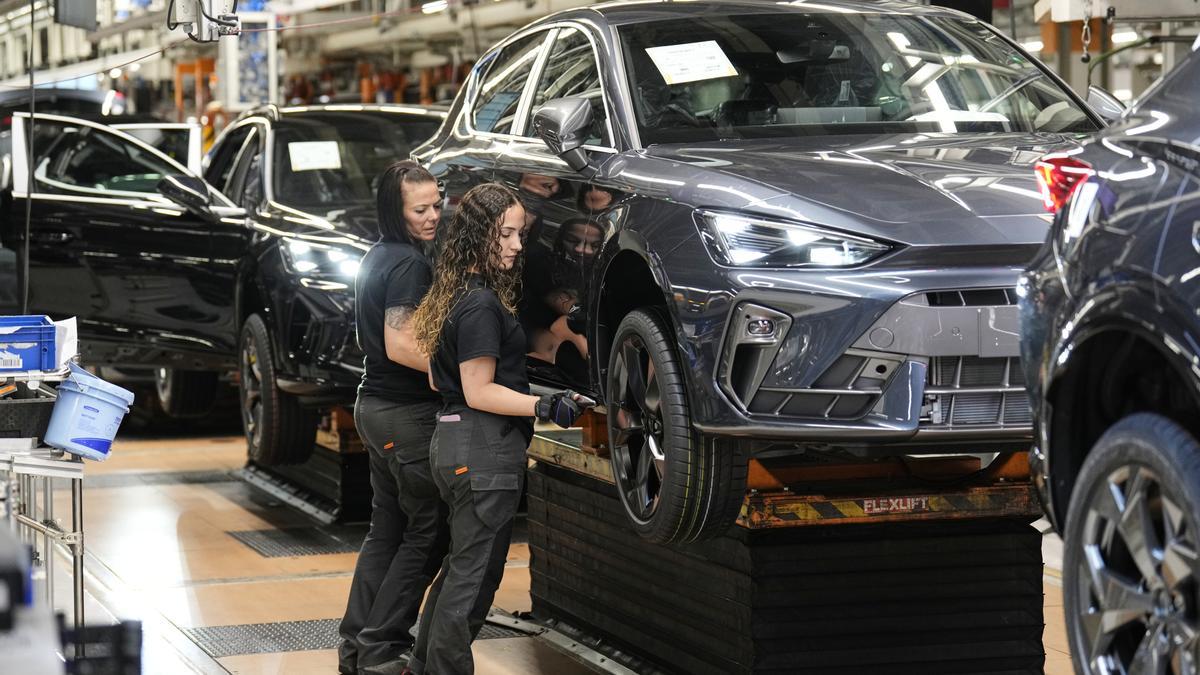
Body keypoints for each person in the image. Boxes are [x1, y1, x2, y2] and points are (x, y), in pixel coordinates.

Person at [407, 183, 590, 675]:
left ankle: (424, 666)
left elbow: (434, 375)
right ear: (477, 235)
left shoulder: (451, 294)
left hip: (452, 440)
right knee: (474, 577)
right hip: (482, 446)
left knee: (461, 569)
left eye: (519, 234)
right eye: (505, 234)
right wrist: (545, 406)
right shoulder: (482, 304)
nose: (515, 245)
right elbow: (479, 390)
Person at [339, 161, 449, 675]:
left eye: (436, 204)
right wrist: (459, 371)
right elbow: (401, 343)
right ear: (394, 210)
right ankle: (382, 650)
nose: (433, 216)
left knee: (386, 531)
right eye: (419, 209)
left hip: (374, 408)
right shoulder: (409, 264)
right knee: (428, 531)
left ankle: (356, 649)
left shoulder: (377, 256)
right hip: (405, 416)